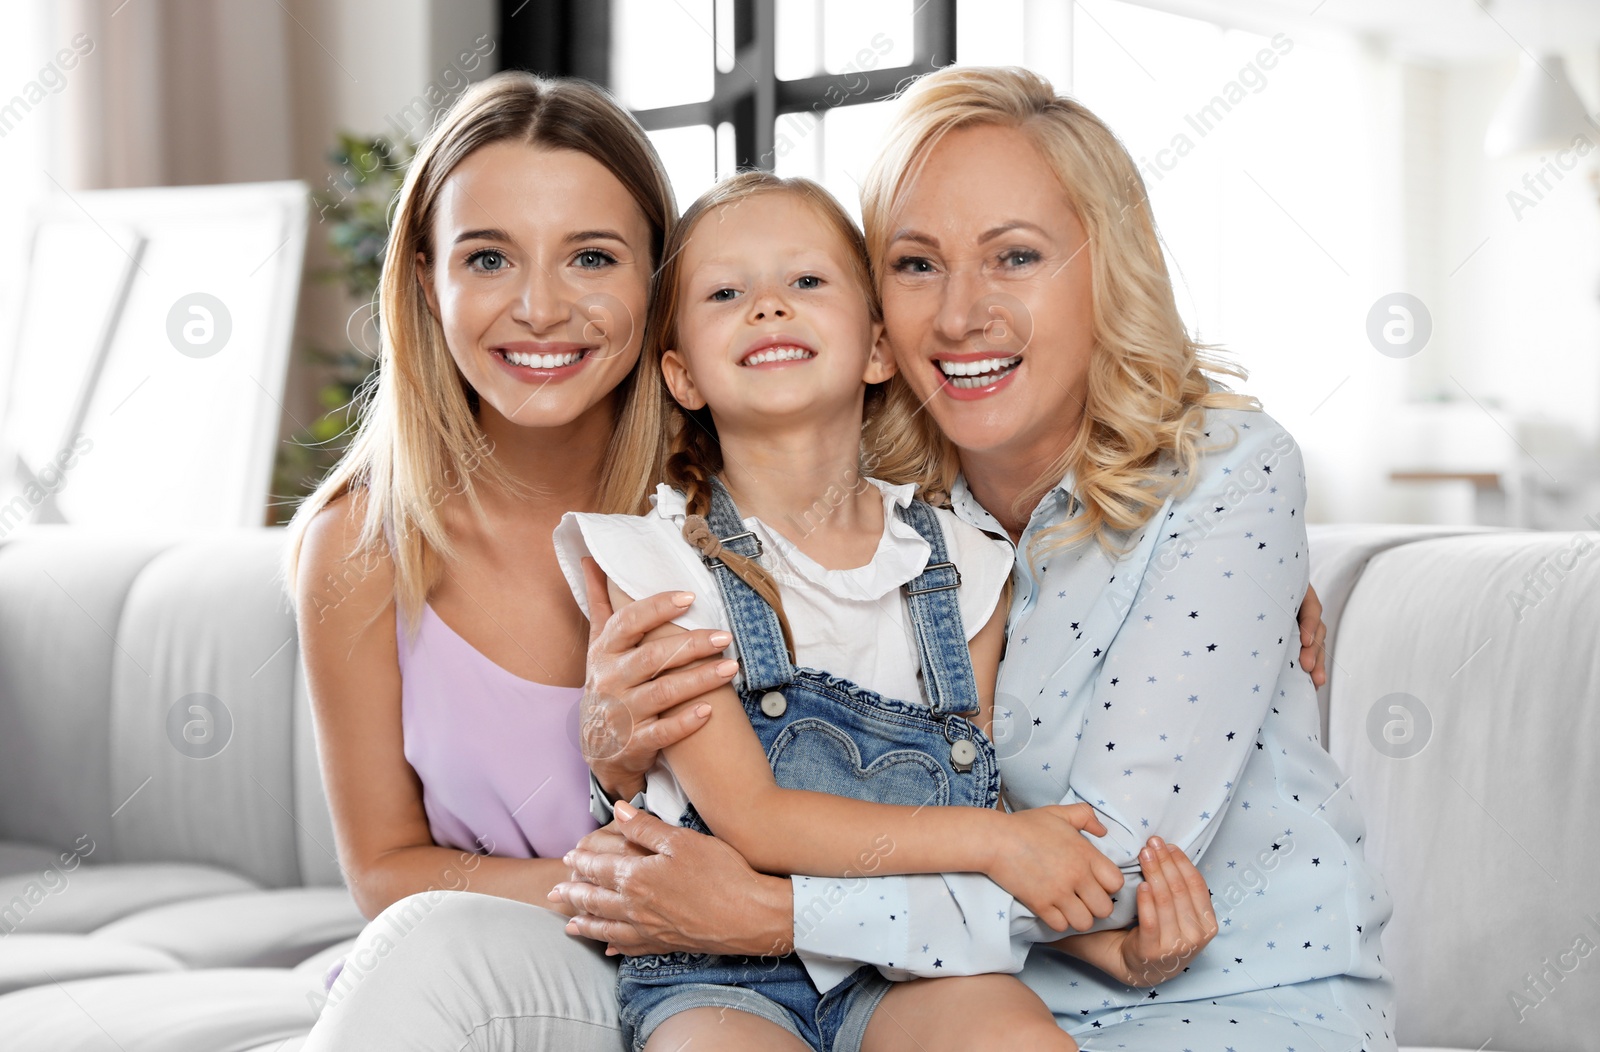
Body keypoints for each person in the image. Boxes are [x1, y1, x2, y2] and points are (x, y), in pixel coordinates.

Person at [558, 67, 1390, 1052]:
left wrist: (770, 915)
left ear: (1104, 267)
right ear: (877, 324)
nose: (960, 315)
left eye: (1016, 256)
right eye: (915, 264)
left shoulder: (1224, 476)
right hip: (949, 983)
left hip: (1228, 994)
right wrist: (616, 745)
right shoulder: (882, 514)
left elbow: (1110, 867)